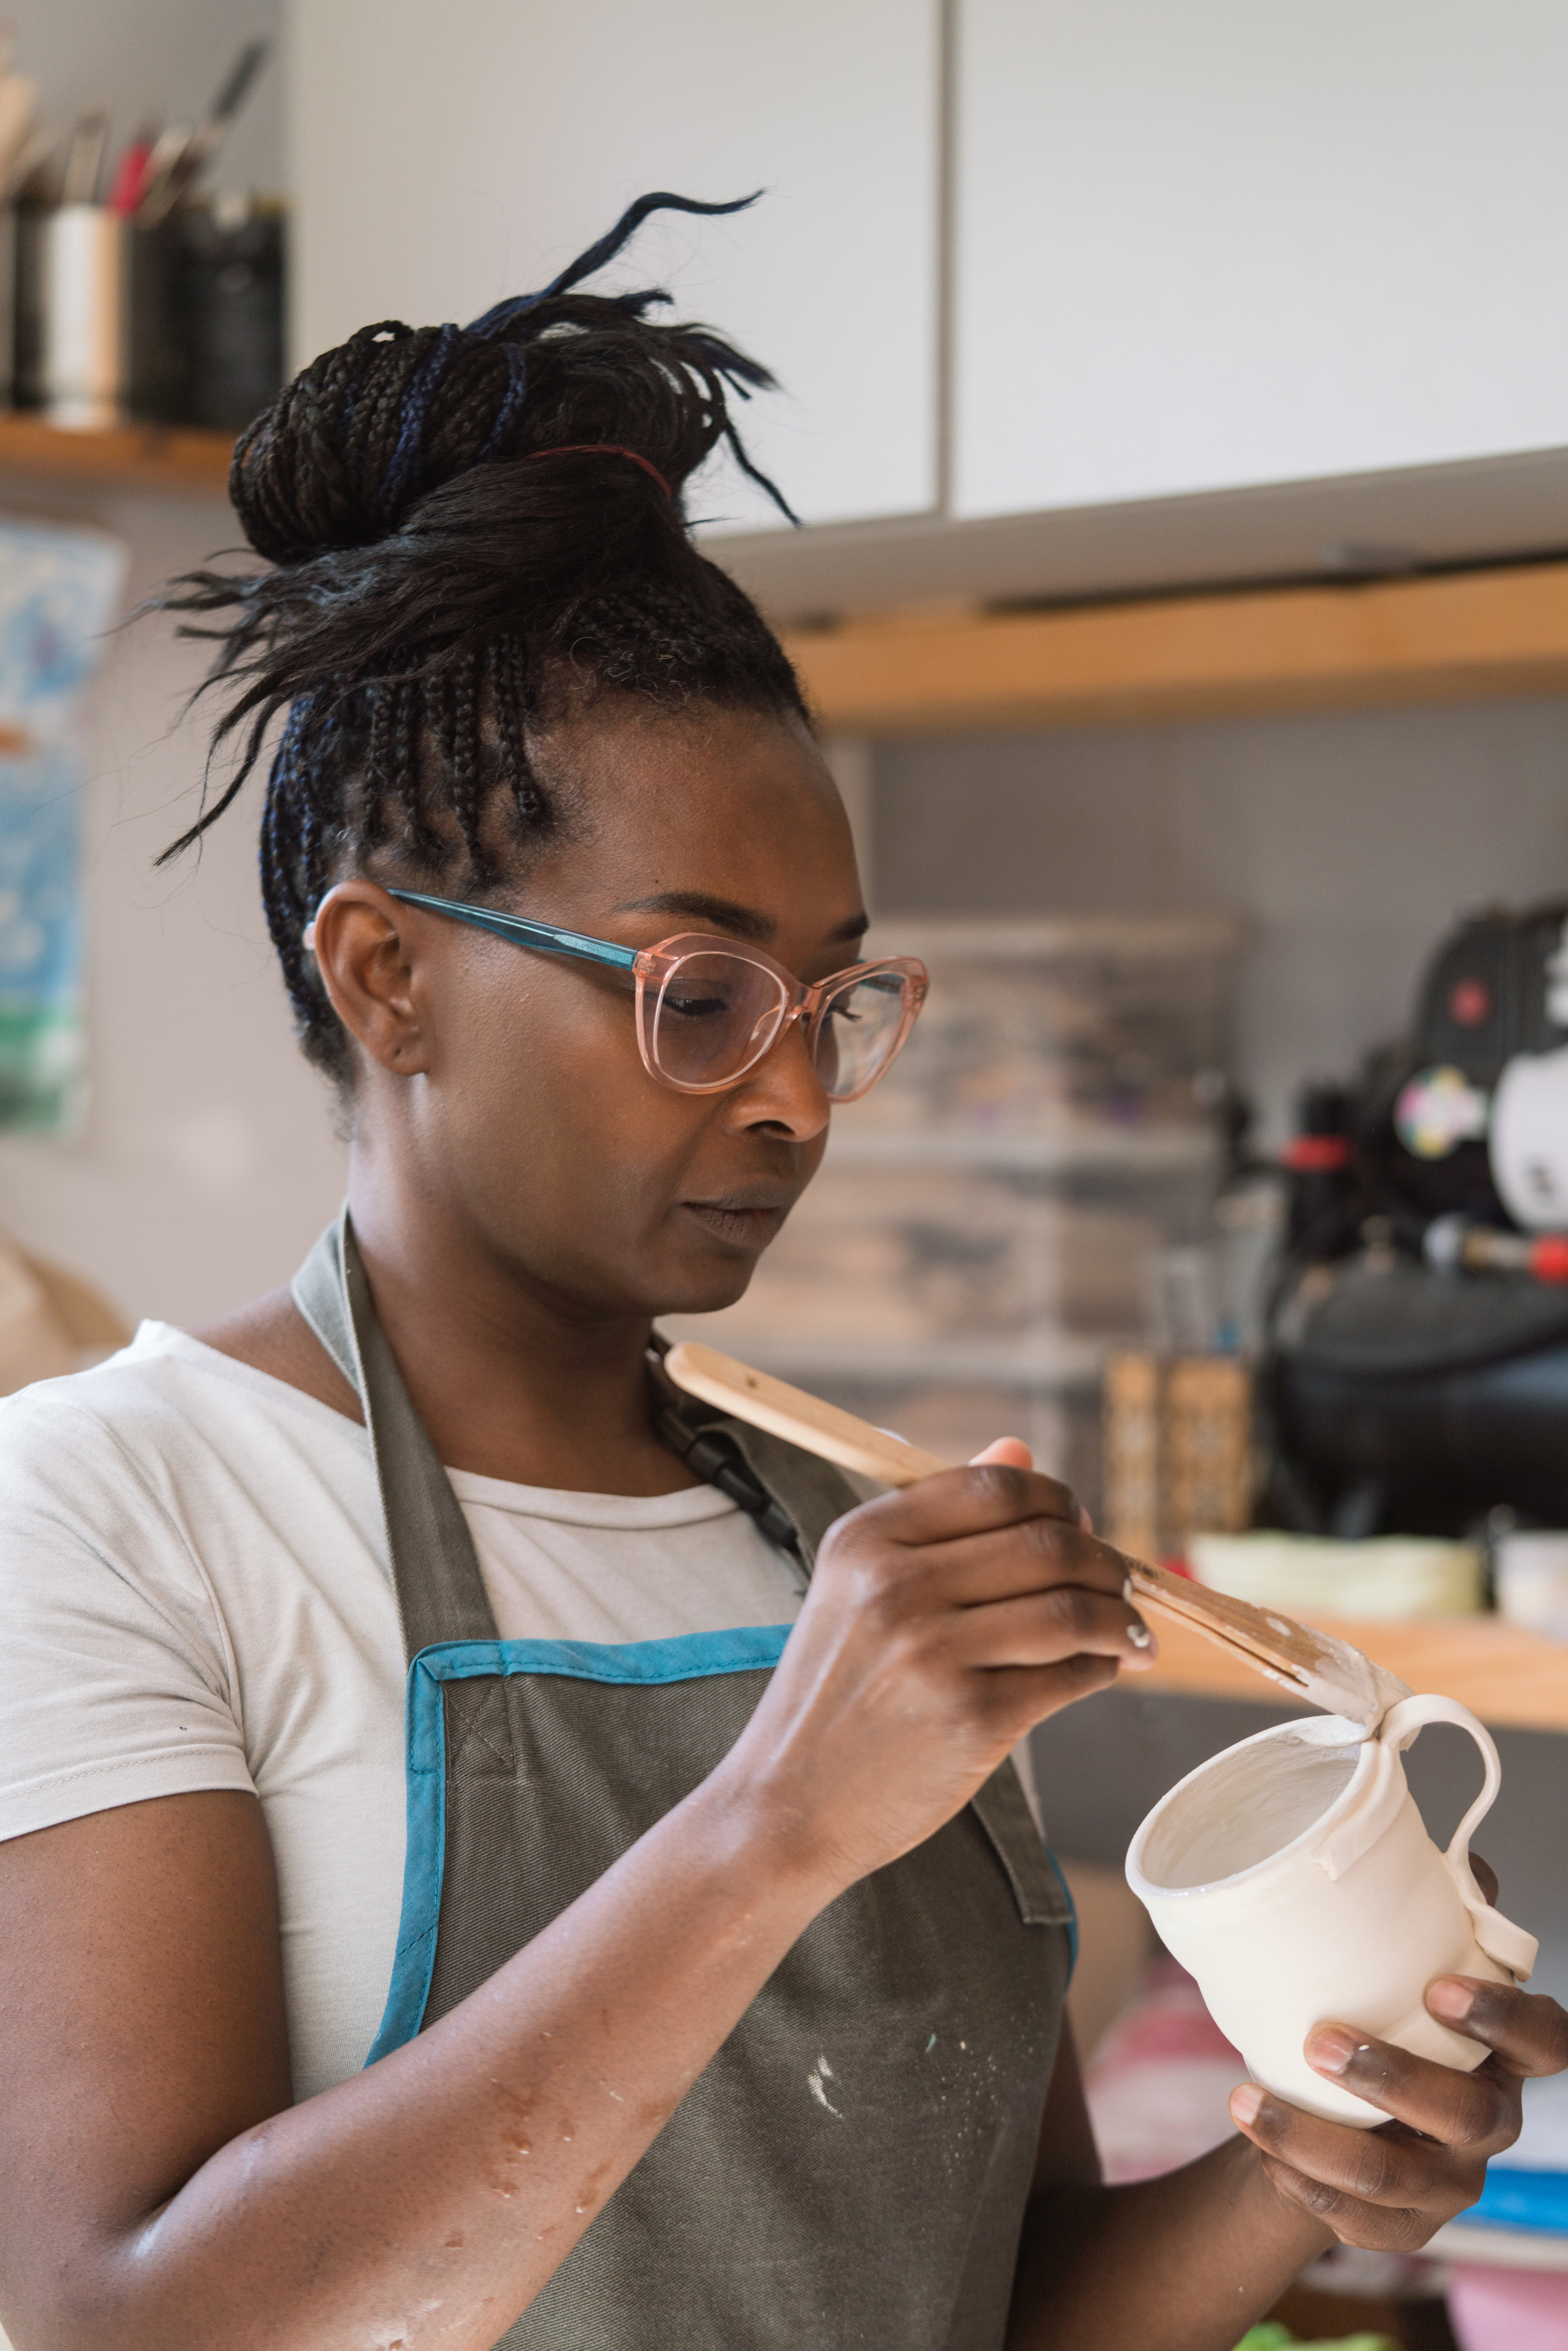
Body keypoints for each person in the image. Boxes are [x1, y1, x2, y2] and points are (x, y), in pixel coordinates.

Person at [0, 193, 1559, 2351]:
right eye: (696, 993)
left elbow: (985, 2306)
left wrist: (1302, 2160)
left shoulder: (862, 1555)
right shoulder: (112, 1508)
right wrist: (772, 1822)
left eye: (828, 1001)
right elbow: (111, 2320)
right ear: (389, 977)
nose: (798, 1100)